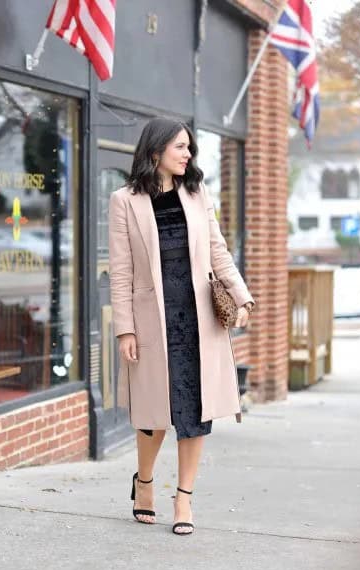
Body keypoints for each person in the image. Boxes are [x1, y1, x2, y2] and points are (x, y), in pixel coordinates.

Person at [108, 117, 254, 536]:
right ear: (155, 151)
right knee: (153, 412)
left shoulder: (196, 192)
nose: (188, 154)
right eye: (180, 147)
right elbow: (120, 272)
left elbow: (218, 252)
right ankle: (145, 480)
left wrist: (242, 296)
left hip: (197, 319)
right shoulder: (125, 200)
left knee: (195, 410)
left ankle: (184, 498)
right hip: (152, 320)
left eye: (189, 147)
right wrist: (125, 330)